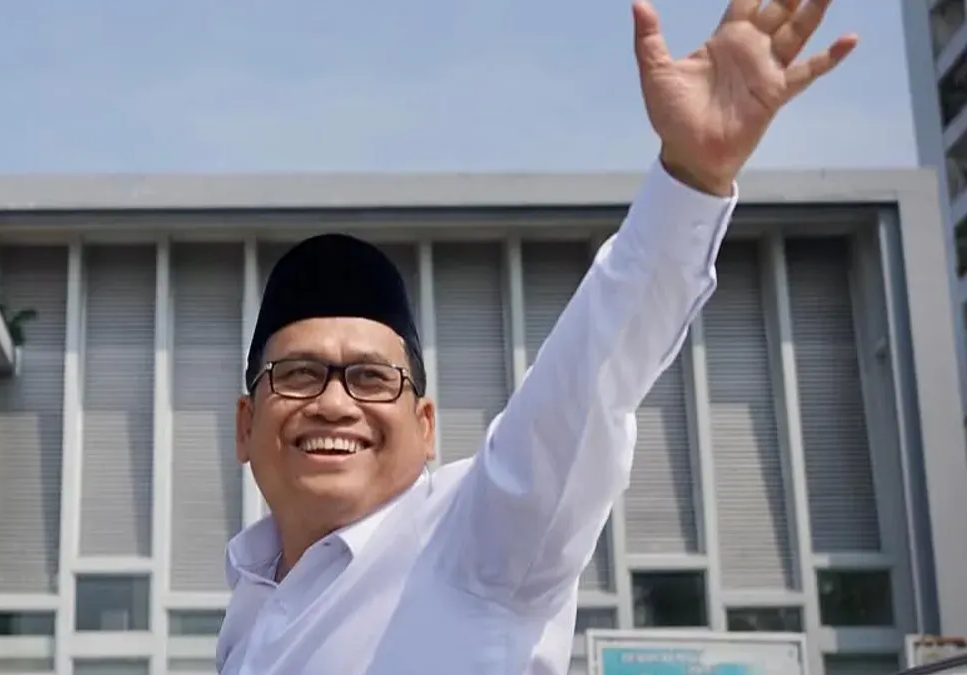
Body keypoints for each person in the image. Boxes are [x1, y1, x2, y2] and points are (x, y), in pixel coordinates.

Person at [218, 1, 857, 673]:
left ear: (426, 426)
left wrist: (690, 182)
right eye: (298, 374)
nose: (332, 403)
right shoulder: (248, 612)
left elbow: (584, 387)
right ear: (245, 425)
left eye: (371, 378)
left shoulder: (478, 539)